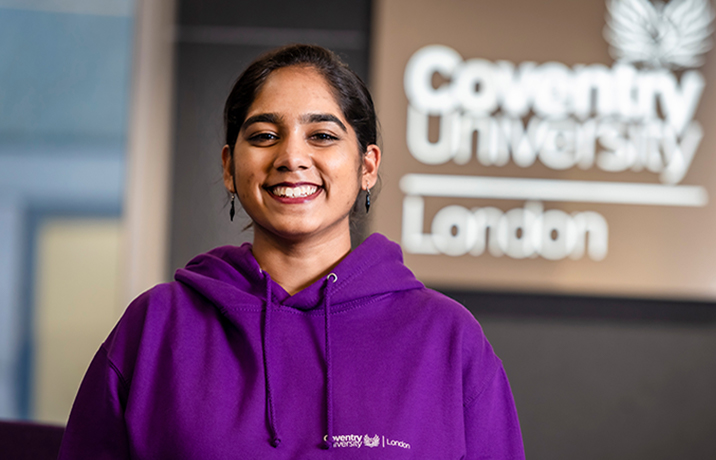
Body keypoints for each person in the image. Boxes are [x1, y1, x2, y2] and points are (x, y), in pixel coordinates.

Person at [58, 44, 525, 459]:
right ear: (229, 166)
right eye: (264, 136)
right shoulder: (157, 325)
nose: (291, 157)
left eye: (322, 135)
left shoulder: (447, 338)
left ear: (367, 165)